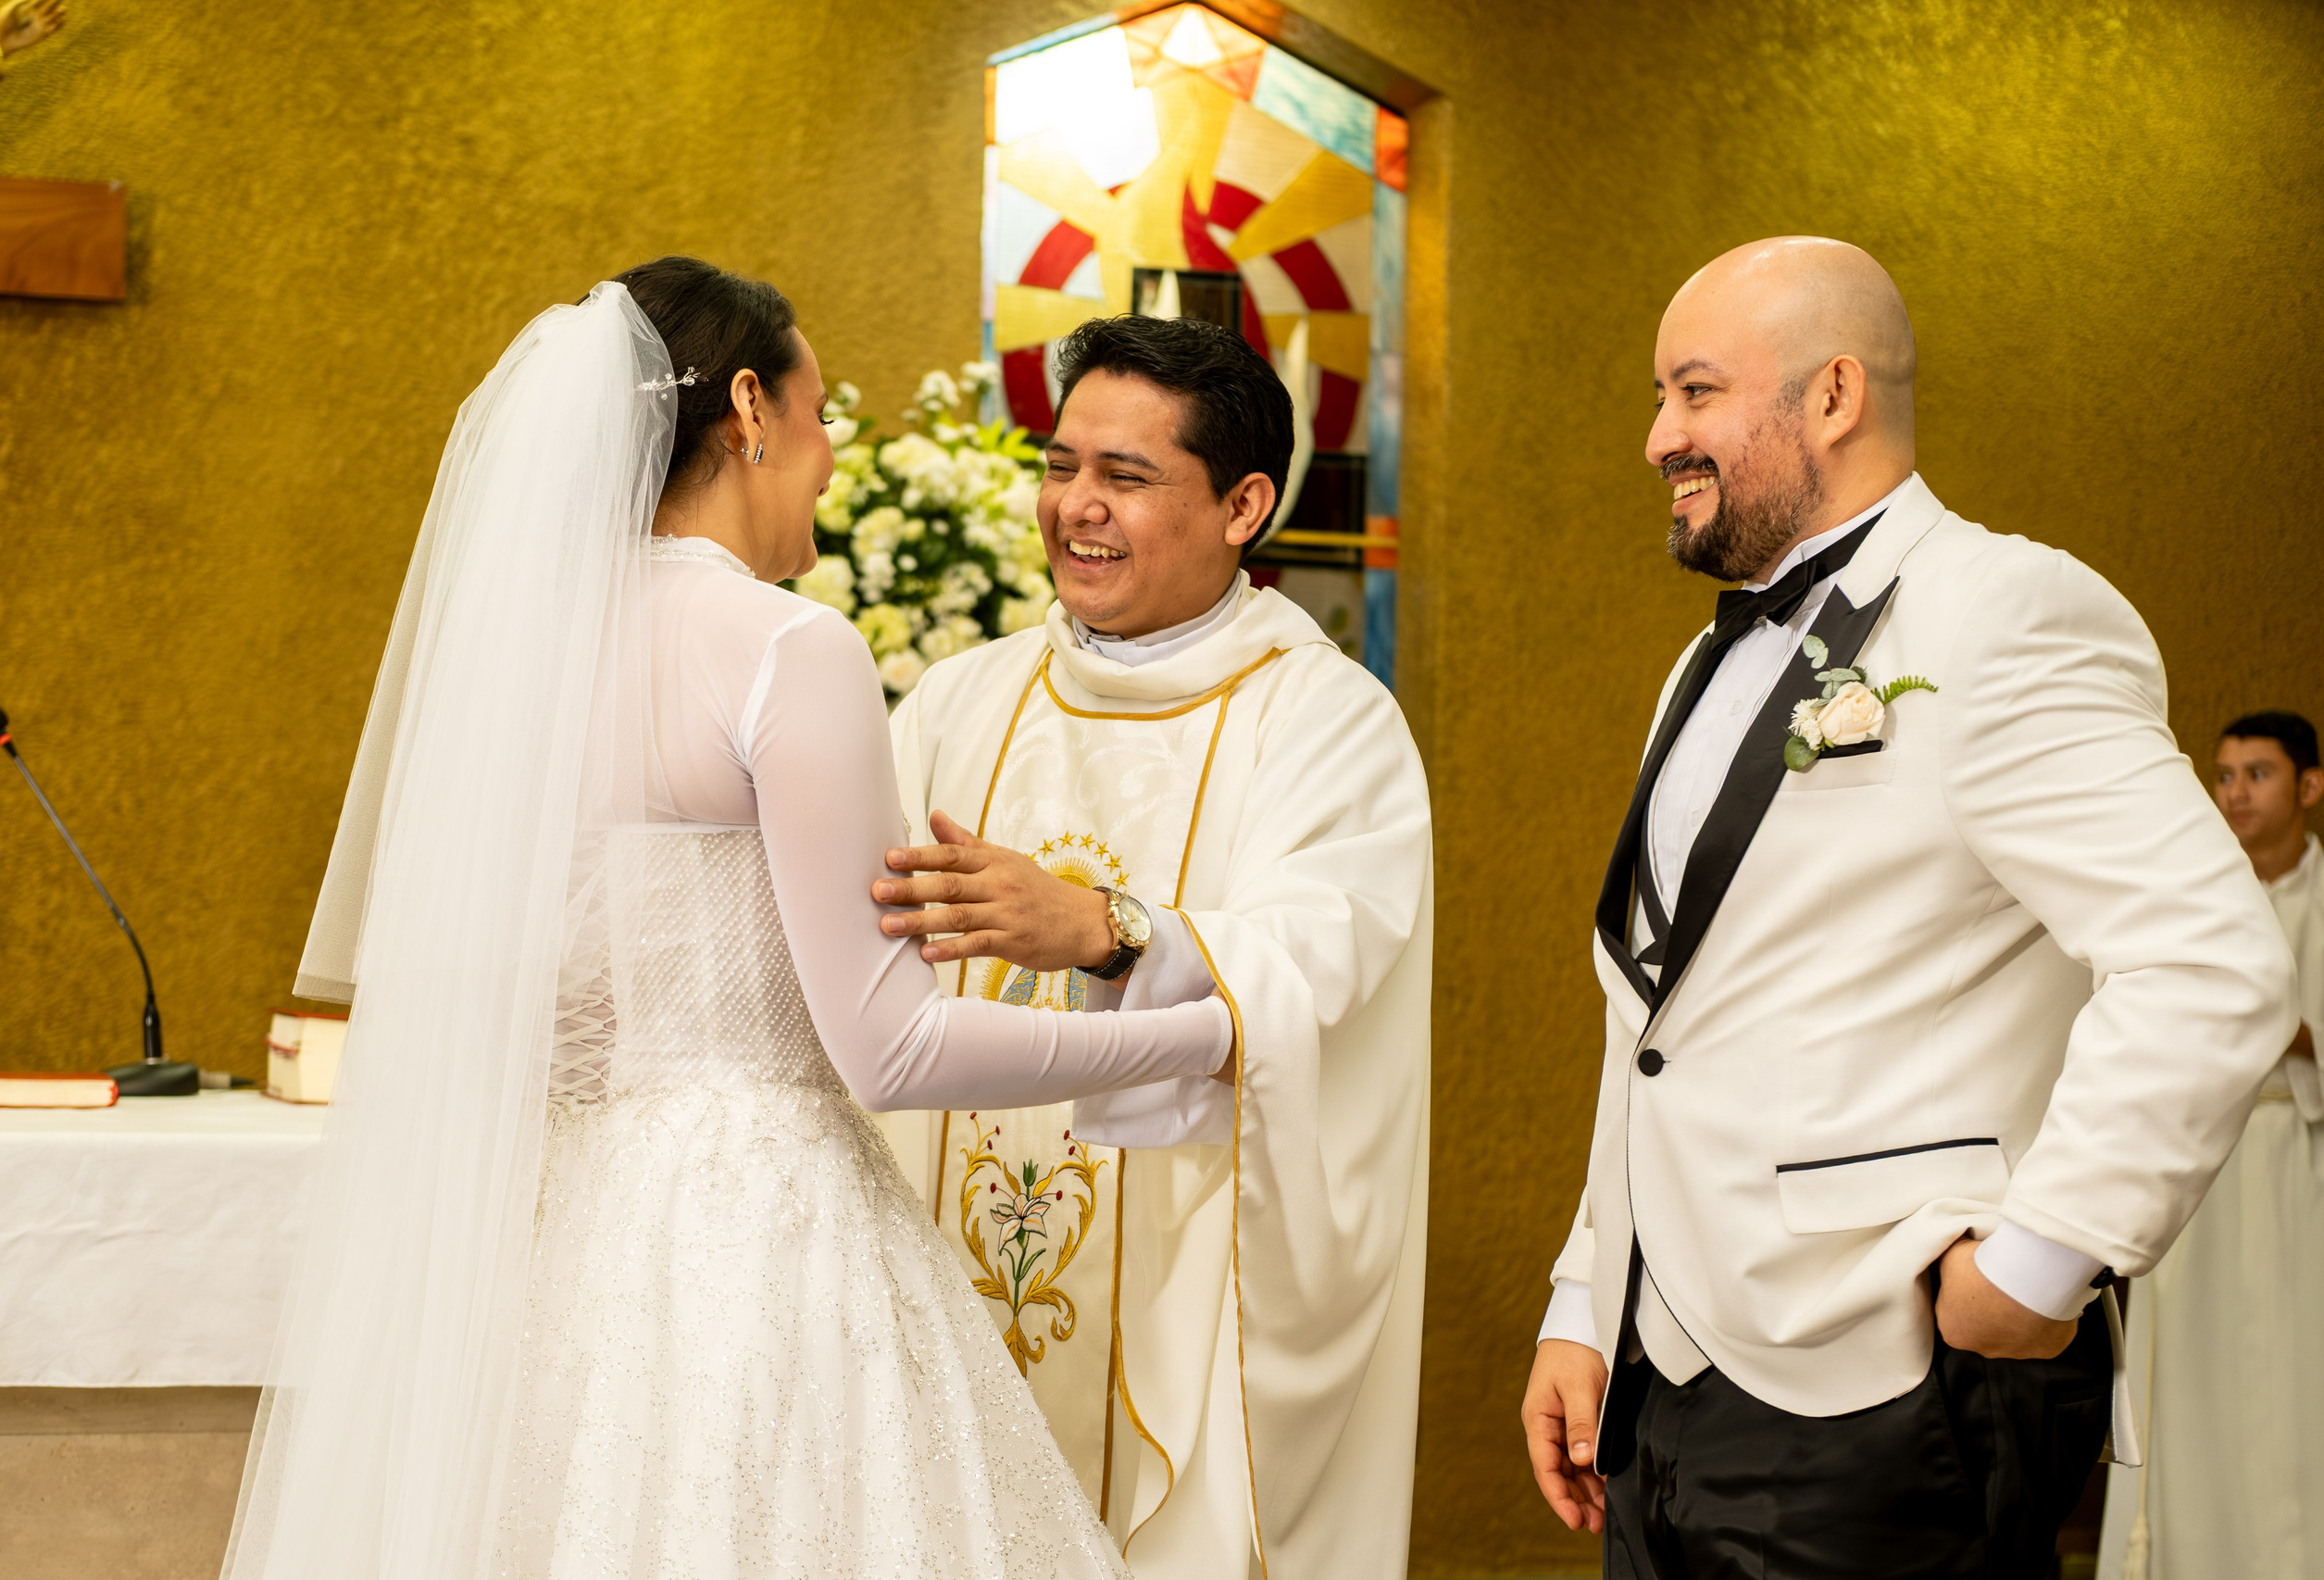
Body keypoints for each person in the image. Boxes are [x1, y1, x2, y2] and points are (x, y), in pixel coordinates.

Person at [225, 259, 1244, 1580]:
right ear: (751, 410)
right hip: (762, 1265)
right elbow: (892, 1053)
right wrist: (1191, 1030)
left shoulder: (512, 664)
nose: (830, 460)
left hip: (553, 1265)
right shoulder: (783, 648)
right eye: (823, 419)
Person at [1517, 236, 2296, 1578]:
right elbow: (1650, 1019)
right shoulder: (1693, 672)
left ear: (1832, 395)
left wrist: (2046, 1258)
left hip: (1892, 1388)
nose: (1659, 436)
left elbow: (2211, 963)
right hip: (1664, 1373)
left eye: (1695, 392)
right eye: (1657, 397)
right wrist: (1590, 1293)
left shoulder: (2009, 614)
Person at [872, 314, 1431, 1579]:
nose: (1076, 507)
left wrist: (1106, 930)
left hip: (1183, 1303)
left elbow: (1322, 967)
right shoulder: (966, 700)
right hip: (943, 1282)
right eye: (1061, 464)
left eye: (1125, 478)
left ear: (1244, 504)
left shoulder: (1325, 720)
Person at [2097, 710, 2324, 1579]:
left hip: (2295, 1156)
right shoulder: (2191, 896)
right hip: (2201, 1165)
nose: (2234, 794)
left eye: (2257, 775)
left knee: (2292, 1367)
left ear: (2307, 787)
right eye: (2224, 776)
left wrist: (2287, 1030)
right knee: (2196, 1377)